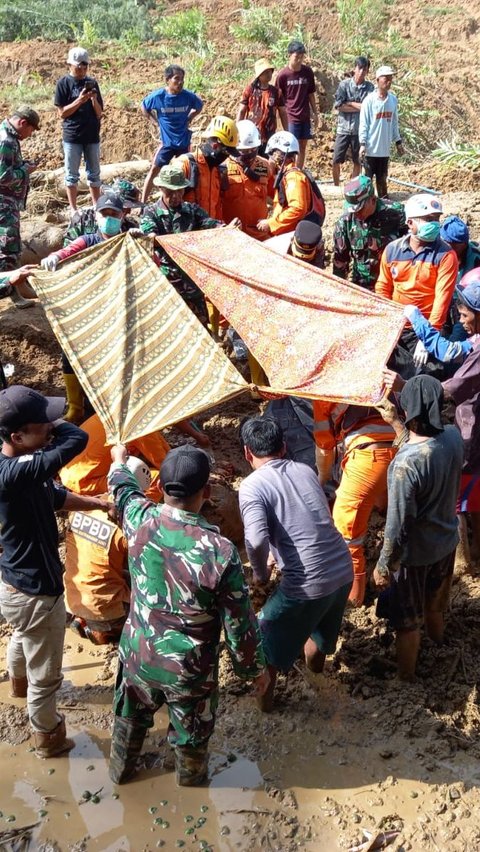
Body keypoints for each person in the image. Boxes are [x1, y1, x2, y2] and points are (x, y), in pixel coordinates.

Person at [107, 444, 268, 786]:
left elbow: (122, 488)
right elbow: (239, 624)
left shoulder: (137, 518)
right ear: (207, 492)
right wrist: (253, 671)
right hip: (189, 673)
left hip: (138, 655)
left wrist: (119, 461)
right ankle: (191, 793)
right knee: (191, 740)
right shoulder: (219, 552)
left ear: (161, 488)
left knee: (128, 721)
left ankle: (120, 775)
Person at [0, 384, 109, 757]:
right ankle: (47, 736)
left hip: (13, 586)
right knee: (46, 677)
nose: (51, 426)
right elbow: (76, 436)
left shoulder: (21, 469)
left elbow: (55, 496)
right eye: (42, 423)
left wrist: (97, 503)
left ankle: (16, 686)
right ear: (17, 436)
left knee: (21, 636)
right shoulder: (16, 474)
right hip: (36, 592)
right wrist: (54, 429)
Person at [239, 417, 353, 712]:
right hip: (342, 568)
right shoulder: (304, 470)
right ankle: (316, 680)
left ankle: (266, 711)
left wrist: (261, 575)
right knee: (318, 633)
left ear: (247, 453)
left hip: (306, 582)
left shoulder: (251, 486)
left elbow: (255, 539)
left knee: (261, 644)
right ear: (284, 447)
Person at [383, 274, 480, 574]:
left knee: (463, 495)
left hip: (474, 428)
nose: (461, 322)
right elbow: (448, 351)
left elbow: (449, 389)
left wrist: (405, 386)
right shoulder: (475, 341)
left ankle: (469, 559)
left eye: (465, 316)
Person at [373, 376, 463, 681]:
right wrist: (397, 424)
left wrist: (384, 566)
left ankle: (406, 680)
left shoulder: (403, 467)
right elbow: (425, 447)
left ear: (407, 409)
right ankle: (439, 645)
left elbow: (397, 527)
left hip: (415, 556)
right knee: (435, 605)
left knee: (407, 622)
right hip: (447, 540)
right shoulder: (452, 436)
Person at [41, 194, 126, 422]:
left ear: (123, 215)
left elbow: (153, 264)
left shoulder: (128, 241)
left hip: (118, 311)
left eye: (114, 214)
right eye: (104, 214)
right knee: (71, 352)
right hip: (89, 309)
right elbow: (67, 252)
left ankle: (108, 407)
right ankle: (76, 407)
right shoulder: (88, 241)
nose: (109, 219)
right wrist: (55, 256)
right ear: (96, 216)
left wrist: (144, 242)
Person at [313, 400, 397, 606]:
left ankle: (353, 600)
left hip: (368, 457)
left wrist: (321, 480)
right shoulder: (380, 370)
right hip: (401, 446)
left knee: (346, 534)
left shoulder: (322, 390)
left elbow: (325, 447)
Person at [64, 456, 150, 646]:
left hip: (71, 596)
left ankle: (84, 620)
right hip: (104, 607)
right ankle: (108, 632)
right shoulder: (126, 525)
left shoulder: (83, 505)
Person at [376, 193, 458, 374]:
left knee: (427, 373)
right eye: (428, 219)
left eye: (436, 218)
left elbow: (441, 300)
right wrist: (386, 324)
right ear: (410, 223)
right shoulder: (392, 250)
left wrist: (428, 338)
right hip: (397, 325)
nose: (435, 223)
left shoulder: (445, 255)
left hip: (427, 325)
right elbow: (383, 287)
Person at [140, 163, 224, 325]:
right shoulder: (150, 213)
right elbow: (150, 237)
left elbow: (209, 223)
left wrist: (224, 228)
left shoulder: (191, 210)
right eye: (170, 192)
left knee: (201, 330)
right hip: (167, 285)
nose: (176, 196)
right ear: (161, 189)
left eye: (180, 191)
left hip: (192, 284)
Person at [59, 413, 170, 503]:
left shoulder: (112, 412)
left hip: (68, 473)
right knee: (157, 478)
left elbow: (159, 443)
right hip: (84, 482)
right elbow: (165, 465)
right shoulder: (138, 423)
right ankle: (135, 514)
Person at [141, 65, 203, 203]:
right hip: (167, 143)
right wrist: (155, 122)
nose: (180, 82)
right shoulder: (158, 97)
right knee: (154, 170)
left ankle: (188, 203)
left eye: (182, 79)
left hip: (183, 143)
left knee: (187, 174)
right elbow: (144, 107)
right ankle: (143, 203)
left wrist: (190, 118)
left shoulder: (188, 97)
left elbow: (200, 106)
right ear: (167, 80)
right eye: (176, 79)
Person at [332, 174, 406, 290]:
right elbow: (341, 261)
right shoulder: (345, 222)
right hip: (361, 286)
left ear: (373, 200)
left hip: (391, 286)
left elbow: (410, 248)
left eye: (359, 209)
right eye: (352, 210)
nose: (356, 214)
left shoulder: (396, 213)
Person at [54, 47, 103, 213]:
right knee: (71, 175)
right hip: (72, 136)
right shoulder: (63, 83)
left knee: (94, 174)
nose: (82, 70)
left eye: (85, 67)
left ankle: (97, 207)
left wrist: (94, 99)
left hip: (92, 136)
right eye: (78, 67)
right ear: (69, 65)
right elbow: (62, 113)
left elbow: (99, 113)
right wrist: (80, 100)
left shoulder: (92, 83)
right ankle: (73, 209)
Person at [0, 106, 40, 309]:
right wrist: (25, 170)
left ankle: (15, 289)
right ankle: (13, 292)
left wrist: (22, 165)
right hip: (3, 205)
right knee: (8, 247)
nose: (30, 134)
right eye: (31, 130)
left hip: (6, 203)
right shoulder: (6, 141)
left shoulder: (8, 136)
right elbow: (3, 176)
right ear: (23, 123)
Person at [257, 131, 325, 237]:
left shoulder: (293, 177)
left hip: (290, 235)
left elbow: (297, 209)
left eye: (271, 154)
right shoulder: (286, 175)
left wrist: (271, 223)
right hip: (287, 233)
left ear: (278, 154)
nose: (270, 158)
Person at [174, 115, 240, 220]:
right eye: (226, 151)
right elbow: (168, 204)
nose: (227, 156)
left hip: (209, 232)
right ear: (215, 146)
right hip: (186, 232)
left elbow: (217, 206)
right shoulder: (185, 164)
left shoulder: (218, 171)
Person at [222, 120, 275, 240]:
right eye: (244, 151)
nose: (249, 155)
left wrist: (272, 221)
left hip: (259, 235)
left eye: (253, 150)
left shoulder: (265, 166)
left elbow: (277, 198)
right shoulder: (223, 167)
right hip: (232, 235)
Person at [359, 65, 404, 198]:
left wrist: (398, 142)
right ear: (378, 80)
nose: (389, 81)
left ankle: (383, 204)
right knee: (367, 181)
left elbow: (394, 123)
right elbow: (364, 124)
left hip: (384, 150)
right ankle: (366, 204)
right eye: (386, 78)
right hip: (370, 149)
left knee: (382, 180)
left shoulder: (392, 100)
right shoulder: (369, 101)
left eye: (391, 78)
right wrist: (362, 144)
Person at [332, 57, 374, 185]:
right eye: (359, 68)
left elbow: (368, 108)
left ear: (367, 71)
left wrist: (349, 103)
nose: (361, 72)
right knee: (336, 160)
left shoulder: (369, 87)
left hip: (359, 130)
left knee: (358, 161)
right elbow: (339, 106)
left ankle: (352, 186)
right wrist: (359, 107)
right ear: (354, 68)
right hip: (343, 128)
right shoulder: (344, 85)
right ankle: (336, 185)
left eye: (364, 69)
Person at [276, 41, 318, 169]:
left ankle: (298, 170)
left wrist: (315, 113)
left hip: (304, 115)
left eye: (301, 56)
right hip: (291, 116)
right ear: (289, 55)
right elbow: (278, 98)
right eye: (296, 56)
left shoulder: (307, 72)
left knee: (302, 146)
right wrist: (278, 117)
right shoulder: (283, 75)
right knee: (291, 146)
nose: (299, 60)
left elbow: (311, 93)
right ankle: (290, 171)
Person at [64, 178, 144, 245]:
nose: (129, 211)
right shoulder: (83, 218)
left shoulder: (128, 226)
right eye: (126, 207)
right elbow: (69, 245)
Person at [440, 215, 480, 341]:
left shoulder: (476, 258)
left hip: (465, 309)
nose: (450, 247)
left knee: (455, 342)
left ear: (464, 243)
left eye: (455, 244)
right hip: (444, 304)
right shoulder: (440, 254)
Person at [237, 58, 288, 155]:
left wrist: (287, 132)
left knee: (266, 162)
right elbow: (242, 111)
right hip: (251, 134)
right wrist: (238, 131)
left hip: (269, 134)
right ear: (259, 75)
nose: (269, 74)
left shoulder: (276, 92)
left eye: (269, 71)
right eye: (265, 72)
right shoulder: (250, 90)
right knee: (251, 160)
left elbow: (283, 113)